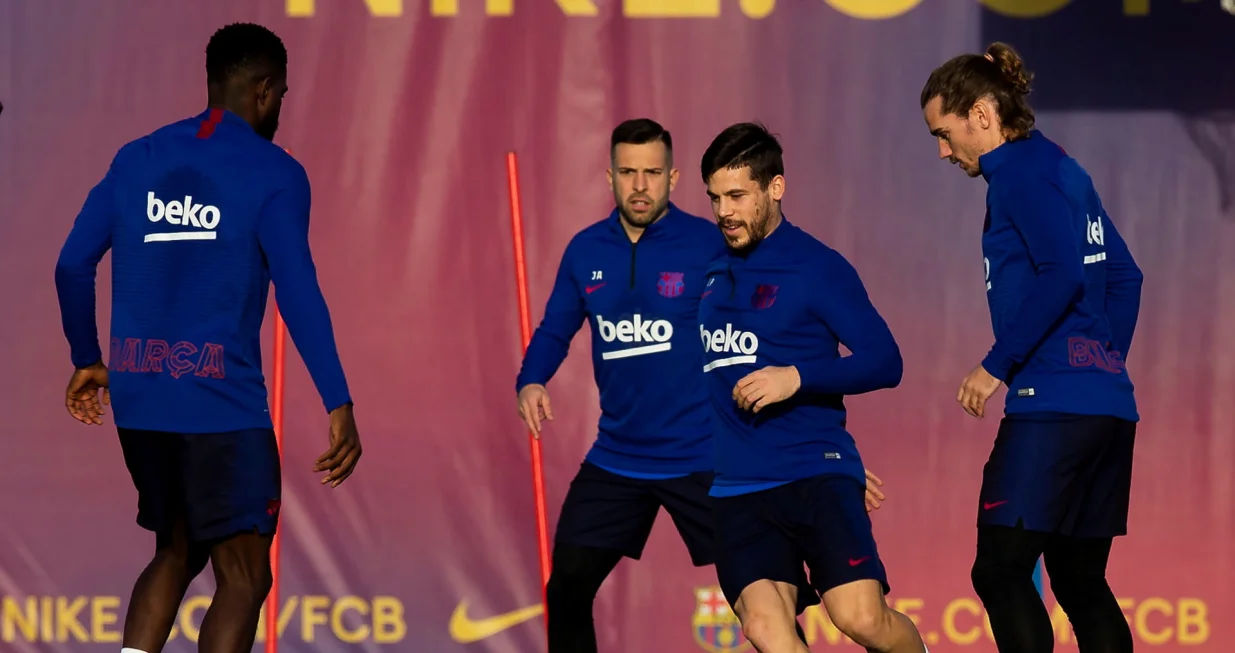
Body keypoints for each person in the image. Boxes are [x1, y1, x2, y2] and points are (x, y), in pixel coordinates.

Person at [515, 118, 886, 652]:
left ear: (673, 177)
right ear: (608, 177)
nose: (639, 184)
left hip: (706, 457)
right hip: (618, 456)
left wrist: (824, 460)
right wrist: (531, 380)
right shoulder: (585, 251)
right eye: (627, 172)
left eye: (652, 172)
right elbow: (554, 328)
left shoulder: (715, 246)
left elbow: (767, 336)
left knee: (774, 606)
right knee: (568, 586)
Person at [54, 22, 362, 653]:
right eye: (280, 97)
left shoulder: (135, 156)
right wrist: (338, 400)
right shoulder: (275, 171)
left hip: (141, 399)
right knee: (245, 575)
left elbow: (71, 265)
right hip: (221, 405)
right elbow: (297, 291)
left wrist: (88, 359)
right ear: (264, 91)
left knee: (174, 549)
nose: (279, 110)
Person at [920, 42, 1141, 653]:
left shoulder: (1016, 174)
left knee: (999, 569)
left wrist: (996, 366)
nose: (942, 151)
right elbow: (1125, 278)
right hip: (1105, 407)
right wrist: (1102, 363)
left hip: (1053, 408)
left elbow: (1062, 275)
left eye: (944, 133)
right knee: (1078, 577)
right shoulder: (1065, 168)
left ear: (983, 115)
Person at [697, 122, 929, 653]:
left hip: (814, 472)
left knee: (861, 619)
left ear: (775, 187)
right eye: (714, 198)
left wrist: (796, 378)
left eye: (737, 196)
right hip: (740, 487)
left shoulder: (818, 267)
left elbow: (885, 361)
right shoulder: (709, 267)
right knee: (764, 627)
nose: (724, 212)